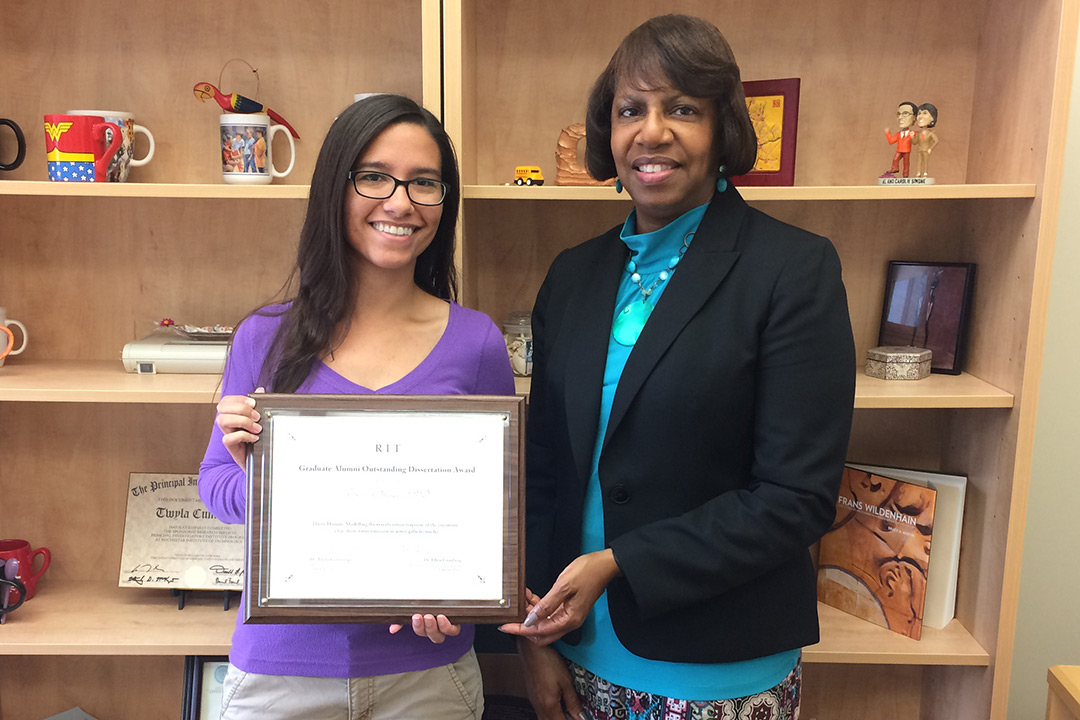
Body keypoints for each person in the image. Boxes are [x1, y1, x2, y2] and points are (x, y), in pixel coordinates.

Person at [499, 15, 855, 720]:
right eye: (630, 110)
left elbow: (796, 497)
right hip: (576, 650)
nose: (651, 132)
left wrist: (619, 561)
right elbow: (543, 473)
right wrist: (533, 641)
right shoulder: (573, 276)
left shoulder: (792, 270)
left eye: (682, 108)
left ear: (724, 129)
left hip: (717, 666)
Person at [198, 93, 515, 720]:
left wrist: (463, 598)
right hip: (279, 673)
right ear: (334, 189)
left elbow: (498, 514)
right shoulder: (264, 336)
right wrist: (254, 477)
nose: (400, 202)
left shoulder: (477, 341)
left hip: (427, 679)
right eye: (374, 176)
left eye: (425, 183)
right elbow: (216, 489)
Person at [882, 101, 919, 178]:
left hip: (906, 151)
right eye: (898, 114)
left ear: (914, 118)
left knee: (906, 163)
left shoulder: (913, 133)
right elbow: (891, 141)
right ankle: (895, 168)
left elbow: (916, 142)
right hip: (899, 150)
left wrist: (913, 136)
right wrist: (887, 133)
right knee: (895, 159)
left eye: (905, 113)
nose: (900, 117)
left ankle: (905, 174)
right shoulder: (898, 134)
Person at [914, 103, 939, 178]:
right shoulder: (918, 133)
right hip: (919, 150)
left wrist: (930, 148)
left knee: (925, 162)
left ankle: (925, 173)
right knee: (919, 162)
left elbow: (936, 141)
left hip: (925, 150)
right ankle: (918, 172)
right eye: (919, 113)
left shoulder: (930, 133)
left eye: (924, 113)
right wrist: (912, 137)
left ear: (932, 118)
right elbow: (915, 142)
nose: (920, 116)